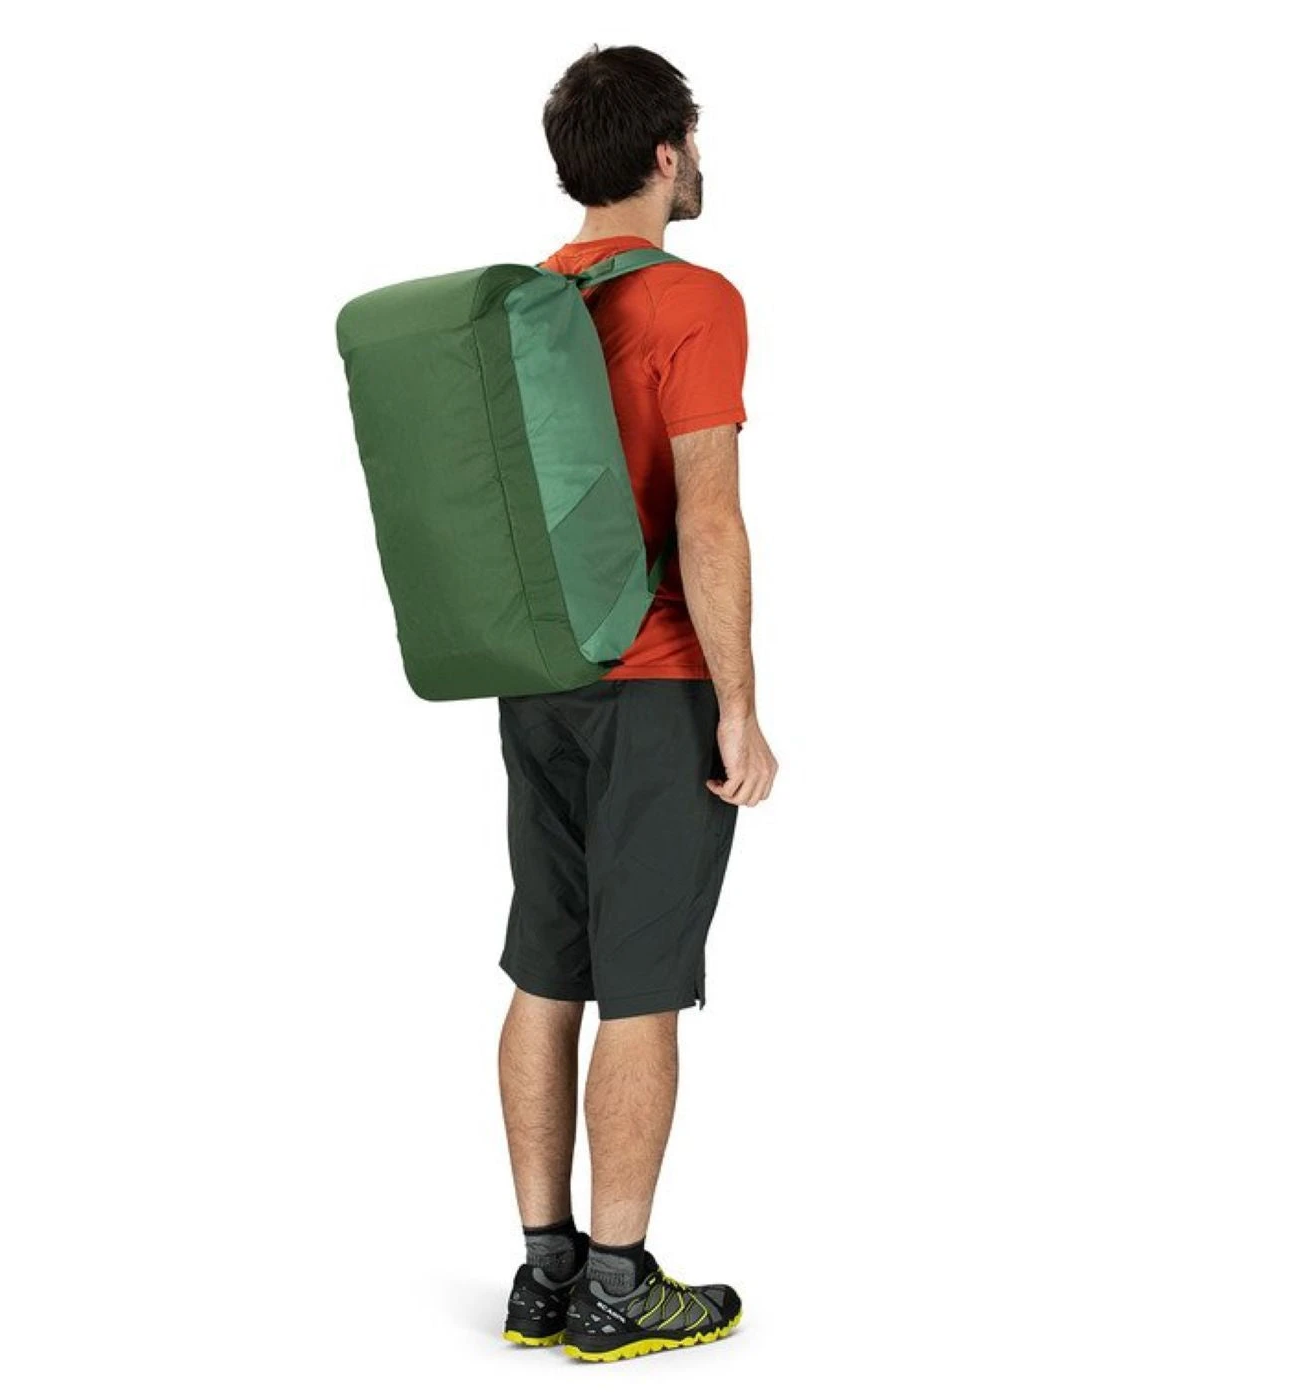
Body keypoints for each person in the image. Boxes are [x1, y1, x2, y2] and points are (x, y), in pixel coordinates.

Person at [498, 45, 778, 1363]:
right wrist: (740, 706)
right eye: (694, 143)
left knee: (546, 969)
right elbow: (708, 517)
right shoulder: (694, 300)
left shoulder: (526, 302)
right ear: (668, 155)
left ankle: (544, 1272)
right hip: (656, 680)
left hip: (537, 678)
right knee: (642, 986)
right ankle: (616, 1291)